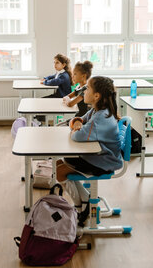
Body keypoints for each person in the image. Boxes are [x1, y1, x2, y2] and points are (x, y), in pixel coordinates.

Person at [56, 76, 122, 220]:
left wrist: (76, 129)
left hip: (104, 161)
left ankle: (80, 207)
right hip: (99, 156)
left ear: (96, 96)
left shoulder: (101, 117)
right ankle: (85, 198)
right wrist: (76, 124)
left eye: (87, 89)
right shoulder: (96, 110)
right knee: (60, 163)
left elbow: (77, 136)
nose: (84, 92)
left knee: (60, 171)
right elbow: (77, 120)